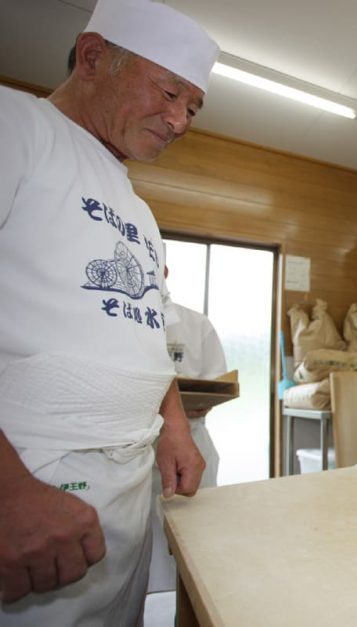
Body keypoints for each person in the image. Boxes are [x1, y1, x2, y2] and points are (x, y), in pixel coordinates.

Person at [0, 0, 218, 623]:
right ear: (94, 56)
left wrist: (173, 425)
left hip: (125, 489)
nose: (178, 121)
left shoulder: (140, 214)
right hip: (32, 481)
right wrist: (7, 491)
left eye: (193, 108)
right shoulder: (16, 126)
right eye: (170, 92)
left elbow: (143, 327)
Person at [147, 264, 228, 594]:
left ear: (163, 271)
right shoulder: (113, 324)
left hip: (190, 442)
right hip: (132, 448)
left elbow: (217, 384)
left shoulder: (196, 325)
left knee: (192, 553)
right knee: (140, 556)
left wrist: (194, 406)